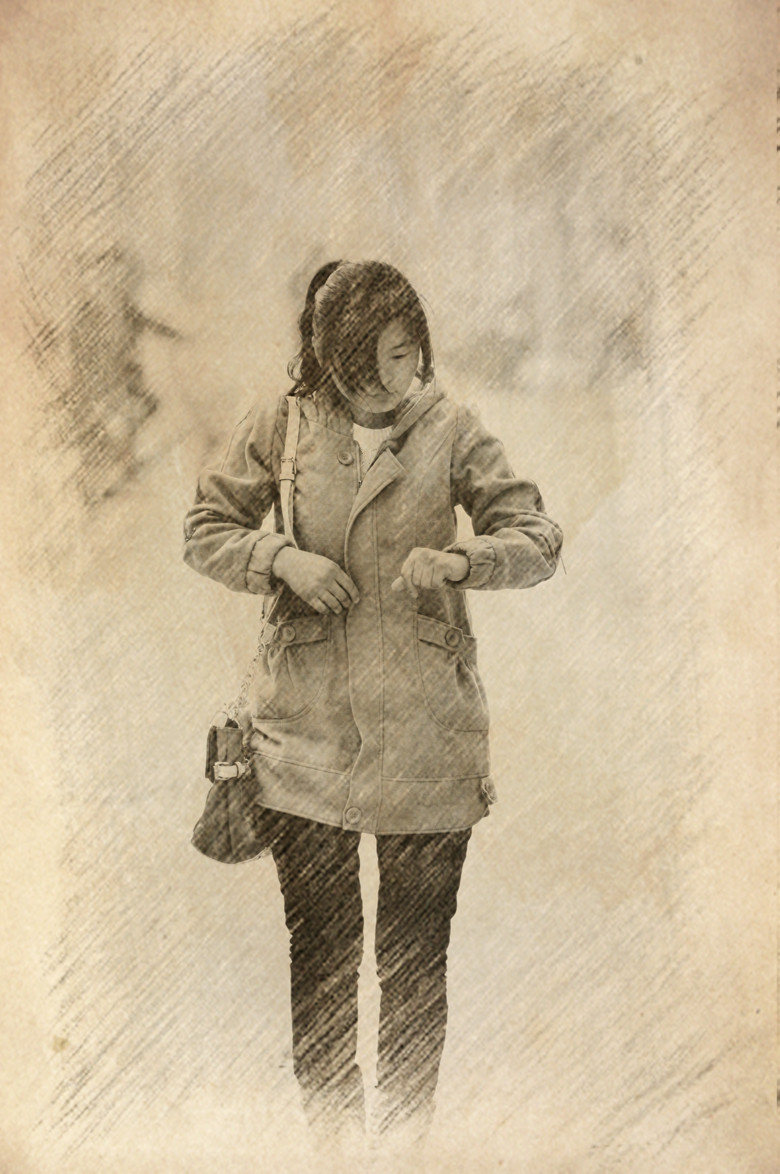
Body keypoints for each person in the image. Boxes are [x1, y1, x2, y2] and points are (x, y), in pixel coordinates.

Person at [183, 260, 562, 1157]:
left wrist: (463, 562)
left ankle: (404, 1149)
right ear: (340, 360)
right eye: (386, 359)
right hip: (302, 739)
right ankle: (333, 1149)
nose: (408, 374)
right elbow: (205, 528)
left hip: (427, 737)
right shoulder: (282, 425)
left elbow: (538, 537)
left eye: (413, 353)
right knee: (322, 960)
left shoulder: (453, 429)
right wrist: (281, 559)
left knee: (415, 964)